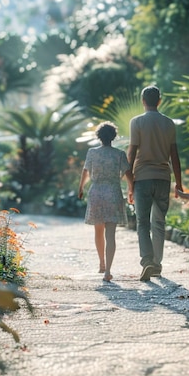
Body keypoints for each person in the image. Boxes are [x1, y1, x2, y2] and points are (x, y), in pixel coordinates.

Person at [127, 85, 183, 282]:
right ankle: (157, 265)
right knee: (158, 223)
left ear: (143, 101)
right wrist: (179, 182)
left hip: (142, 177)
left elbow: (132, 153)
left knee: (142, 223)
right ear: (159, 101)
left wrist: (129, 183)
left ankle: (147, 261)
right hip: (163, 178)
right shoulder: (169, 123)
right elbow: (174, 155)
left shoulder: (137, 122)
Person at [78, 121, 134, 282]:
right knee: (111, 234)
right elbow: (129, 174)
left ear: (99, 137)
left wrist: (81, 188)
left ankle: (101, 263)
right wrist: (131, 190)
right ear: (114, 136)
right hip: (113, 193)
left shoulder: (92, 152)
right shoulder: (119, 154)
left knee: (98, 231)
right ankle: (108, 270)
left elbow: (85, 171)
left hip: (96, 193)